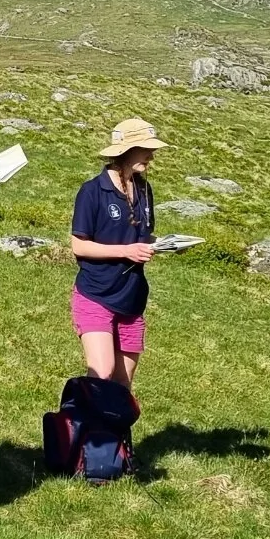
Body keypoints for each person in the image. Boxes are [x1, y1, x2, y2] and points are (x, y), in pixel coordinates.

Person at [69, 118, 160, 388]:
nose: (151, 155)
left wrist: (165, 244)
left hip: (132, 300)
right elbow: (79, 245)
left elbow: (142, 236)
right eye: (146, 149)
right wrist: (126, 252)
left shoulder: (144, 189)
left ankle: (114, 432)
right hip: (96, 295)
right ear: (126, 151)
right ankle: (78, 427)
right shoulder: (92, 191)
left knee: (122, 386)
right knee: (102, 373)